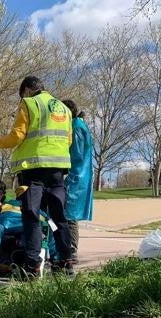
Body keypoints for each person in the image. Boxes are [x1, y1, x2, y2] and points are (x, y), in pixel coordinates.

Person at [0, 76, 74, 275]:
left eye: (22, 94)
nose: (22, 97)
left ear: (28, 90)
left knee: (31, 216)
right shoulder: (64, 109)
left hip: (33, 171)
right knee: (57, 219)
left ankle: (32, 264)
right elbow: (69, 140)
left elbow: (16, 136)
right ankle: (65, 261)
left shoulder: (29, 104)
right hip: (57, 172)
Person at [61, 100, 93, 264]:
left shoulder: (76, 127)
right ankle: (67, 250)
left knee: (69, 215)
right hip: (76, 176)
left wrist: (63, 170)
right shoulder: (77, 125)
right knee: (66, 215)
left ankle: (71, 252)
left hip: (75, 177)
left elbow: (77, 155)